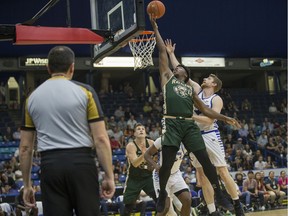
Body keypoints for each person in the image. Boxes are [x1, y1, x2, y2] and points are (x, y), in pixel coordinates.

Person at [149, 16, 241, 214]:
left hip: (190, 127)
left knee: (206, 163)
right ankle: (163, 195)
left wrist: (226, 118)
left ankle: (221, 195)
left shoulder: (191, 90)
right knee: (167, 162)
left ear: (186, 75)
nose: (178, 67)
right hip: (172, 123)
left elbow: (207, 111)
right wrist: (155, 28)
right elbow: (162, 52)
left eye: (181, 68)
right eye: (177, 67)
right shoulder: (167, 79)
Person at [19, 46, 115, 216]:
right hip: (81, 164)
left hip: (51, 166)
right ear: (72, 67)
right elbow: (100, 138)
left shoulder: (31, 98)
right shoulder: (86, 92)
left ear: (48, 68)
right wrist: (109, 175)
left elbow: (26, 148)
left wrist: (27, 185)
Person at [145, 138, 196, 216]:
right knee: (165, 208)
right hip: (161, 176)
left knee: (187, 199)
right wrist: (155, 166)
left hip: (175, 174)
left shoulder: (184, 143)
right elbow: (146, 154)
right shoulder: (162, 140)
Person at [122, 123, 157, 216]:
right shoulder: (131, 146)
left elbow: (157, 157)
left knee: (160, 199)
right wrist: (145, 154)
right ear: (134, 133)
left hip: (148, 177)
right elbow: (135, 163)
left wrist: (153, 163)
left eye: (143, 129)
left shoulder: (151, 143)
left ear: (145, 133)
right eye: (138, 129)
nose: (141, 130)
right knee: (128, 207)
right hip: (134, 178)